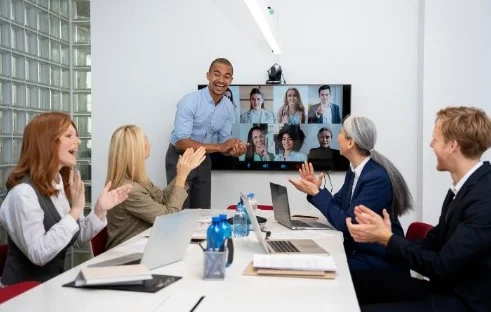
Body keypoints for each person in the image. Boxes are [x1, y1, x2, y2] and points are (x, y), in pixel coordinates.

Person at [346, 107, 491, 311]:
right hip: (443, 289)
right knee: (353, 285)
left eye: (435, 139)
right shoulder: (462, 189)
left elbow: (441, 266)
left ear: (452, 145)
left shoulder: (484, 197)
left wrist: (386, 239)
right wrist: (385, 236)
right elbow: (431, 245)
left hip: (462, 303)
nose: (431, 144)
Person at [0, 112, 132, 285]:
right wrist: (75, 210)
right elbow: (38, 254)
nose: (78, 141)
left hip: (50, 287)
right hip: (19, 296)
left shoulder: (58, 184)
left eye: (76, 136)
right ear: (46, 142)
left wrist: (100, 210)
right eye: (69, 136)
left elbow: (76, 238)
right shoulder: (23, 194)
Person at [289, 116, 413, 272]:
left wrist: (316, 193)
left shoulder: (376, 178)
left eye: (340, 133)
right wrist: (316, 190)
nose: (337, 138)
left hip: (379, 260)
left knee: (318, 268)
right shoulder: (355, 171)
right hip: (359, 252)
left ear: (350, 142)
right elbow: (338, 205)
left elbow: (346, 223)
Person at [105, 125, 206, 249]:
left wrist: (184, 173)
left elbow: (163, 198)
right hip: (126, 255)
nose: (148, 141)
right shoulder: (129, 189)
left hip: (143, 246)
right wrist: (181, 177)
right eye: (144, 138)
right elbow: (169, 218)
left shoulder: (138, 180)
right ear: (135, 150)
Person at [165, 58, 247, 209]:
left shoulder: (229, 107)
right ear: (208, 75)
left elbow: (224, 144)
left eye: (226, 76)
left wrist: (234, 150)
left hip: (203, 159)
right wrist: (221, 147)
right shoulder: (189, 101)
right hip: (180, 157)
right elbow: (181, 142)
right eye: (217, 74)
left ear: (231, 80)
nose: (221, 80)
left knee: (202, 213)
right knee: (178, 211)